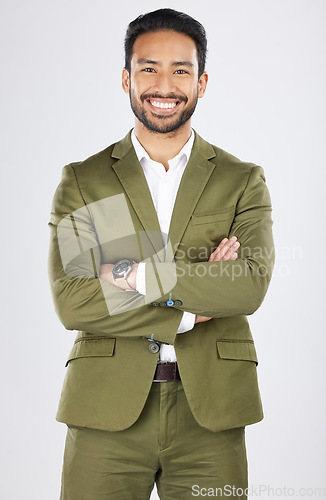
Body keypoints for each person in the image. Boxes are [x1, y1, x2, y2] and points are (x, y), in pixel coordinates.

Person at [48, 8, 274, 500]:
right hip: (103, 409)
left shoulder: (242, 179)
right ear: (126, 78)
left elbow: (249, 285)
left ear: (203, 81)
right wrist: (190, 311)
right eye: (148, 68)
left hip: (211, 413)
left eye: (181, 70)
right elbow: (73, 299)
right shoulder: (85, 181)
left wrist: (126, 274)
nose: (164, 85)